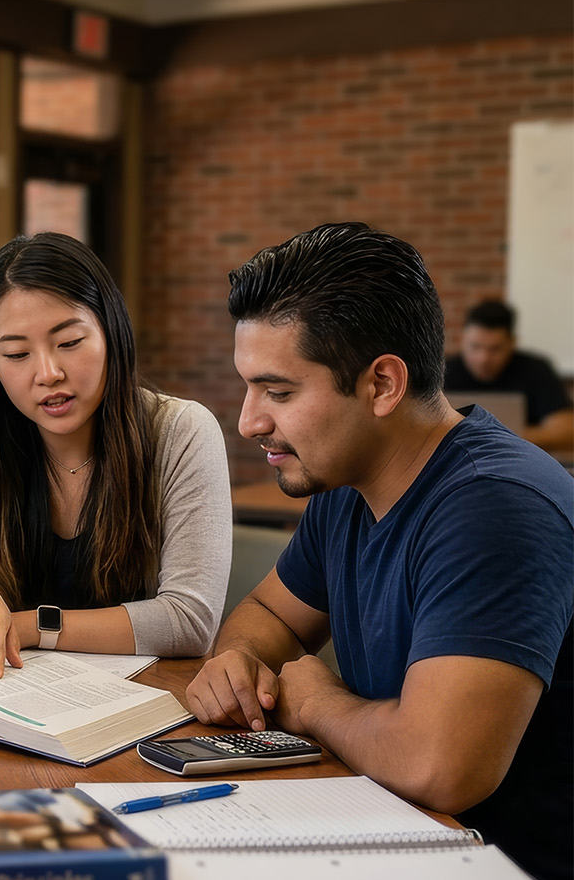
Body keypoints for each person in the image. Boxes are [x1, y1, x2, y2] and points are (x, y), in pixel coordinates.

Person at [186, 222, 572, 880]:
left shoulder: (496, 506)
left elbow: (440, 767)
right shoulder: (345, 480)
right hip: (383, 826)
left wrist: (316, 704)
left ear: (383, 384)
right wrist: (240, 659)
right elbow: (272, 616)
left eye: (278, 392)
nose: (249, 421)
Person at [0, 233, 231, 676]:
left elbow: (188, 621)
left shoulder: (180, 432)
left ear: (110, 330)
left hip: (146, 698)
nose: (48, 373)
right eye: (17, 353)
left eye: (70, 342)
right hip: (5, 694)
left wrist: (32, 626)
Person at [443, 298, 573, 453]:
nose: (483, 358)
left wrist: (493, 437)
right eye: (475, 347)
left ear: (512, 342)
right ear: (462, 340)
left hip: (521, 459)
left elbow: (566, 431)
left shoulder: (535, 370)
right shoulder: (444, 371)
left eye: (495, 349)